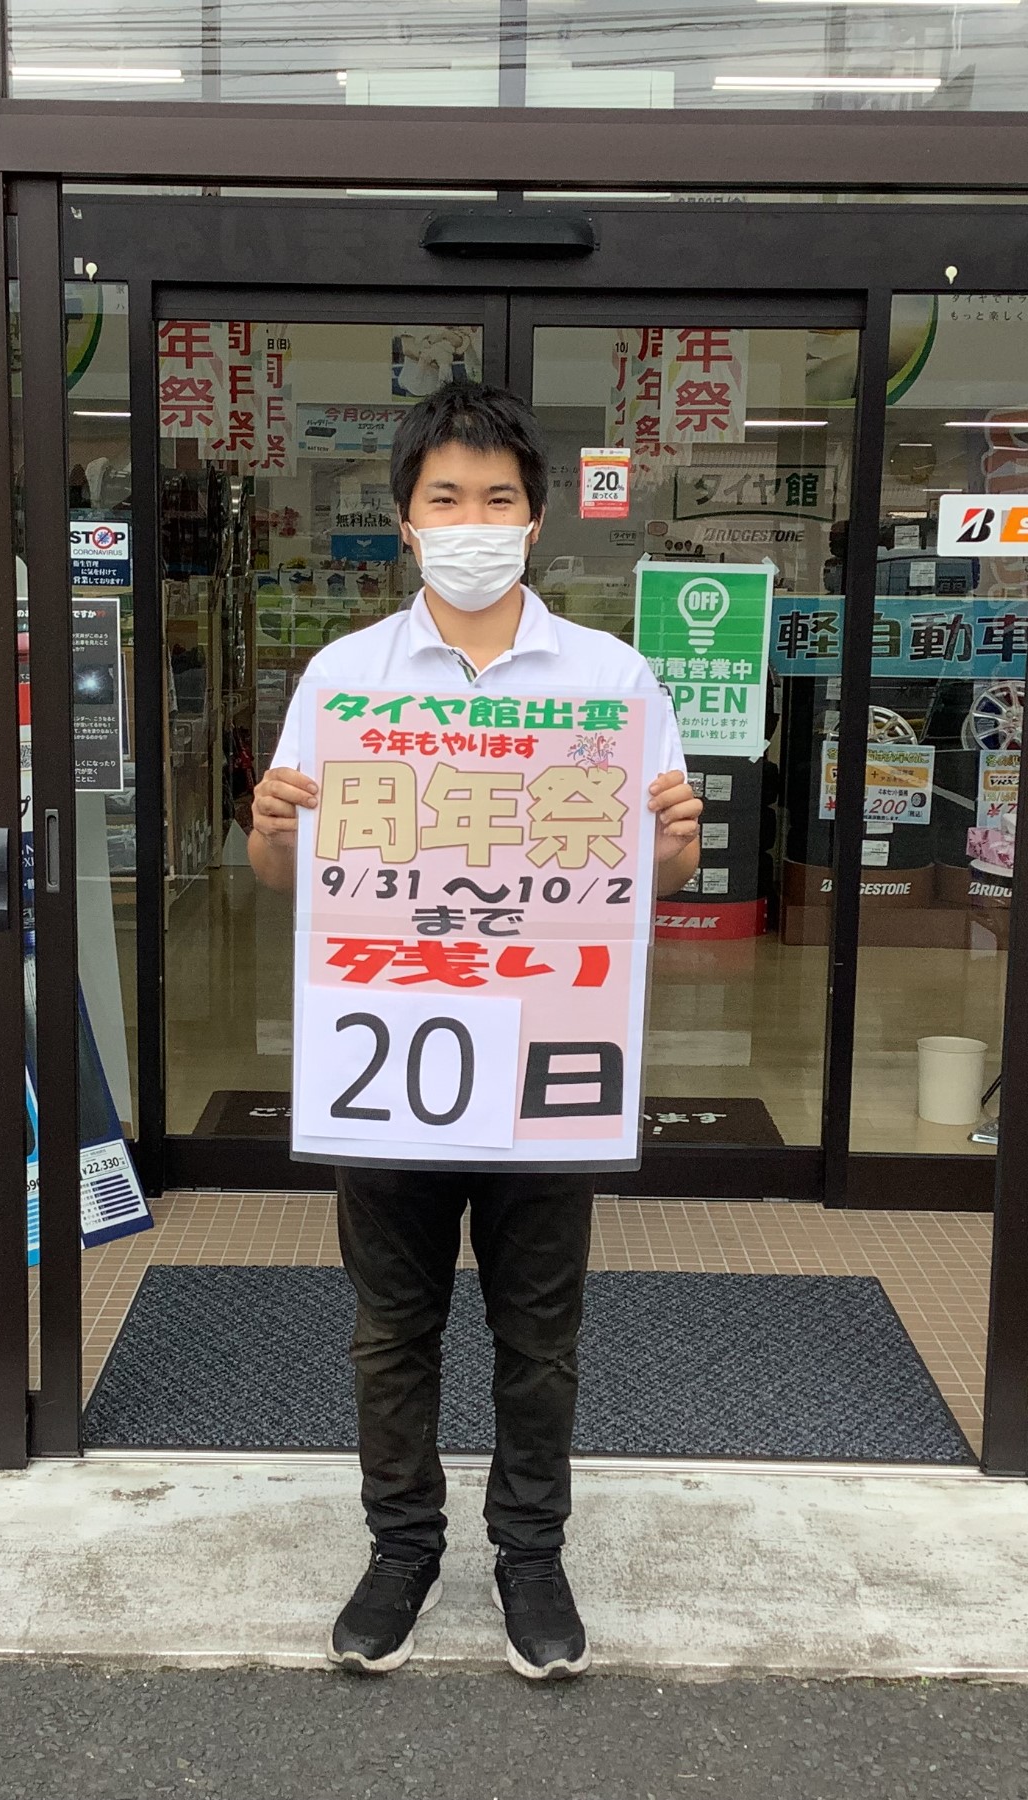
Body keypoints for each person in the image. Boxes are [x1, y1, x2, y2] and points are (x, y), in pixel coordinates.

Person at [248, 382, 702, 1682]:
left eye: (497, 498)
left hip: (546, 1055)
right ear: (406, 520)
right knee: (389, 1331)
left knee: (538, 1334)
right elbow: (291, 877)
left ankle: (530, 1558)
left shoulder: (610, 680)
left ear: (536, 520)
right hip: (394, 1052)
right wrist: (269, 832)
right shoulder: (346, 679)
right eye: (445, 498)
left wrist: (678, 843)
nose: (471, 522)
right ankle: (400, 1553)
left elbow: (650, 874)